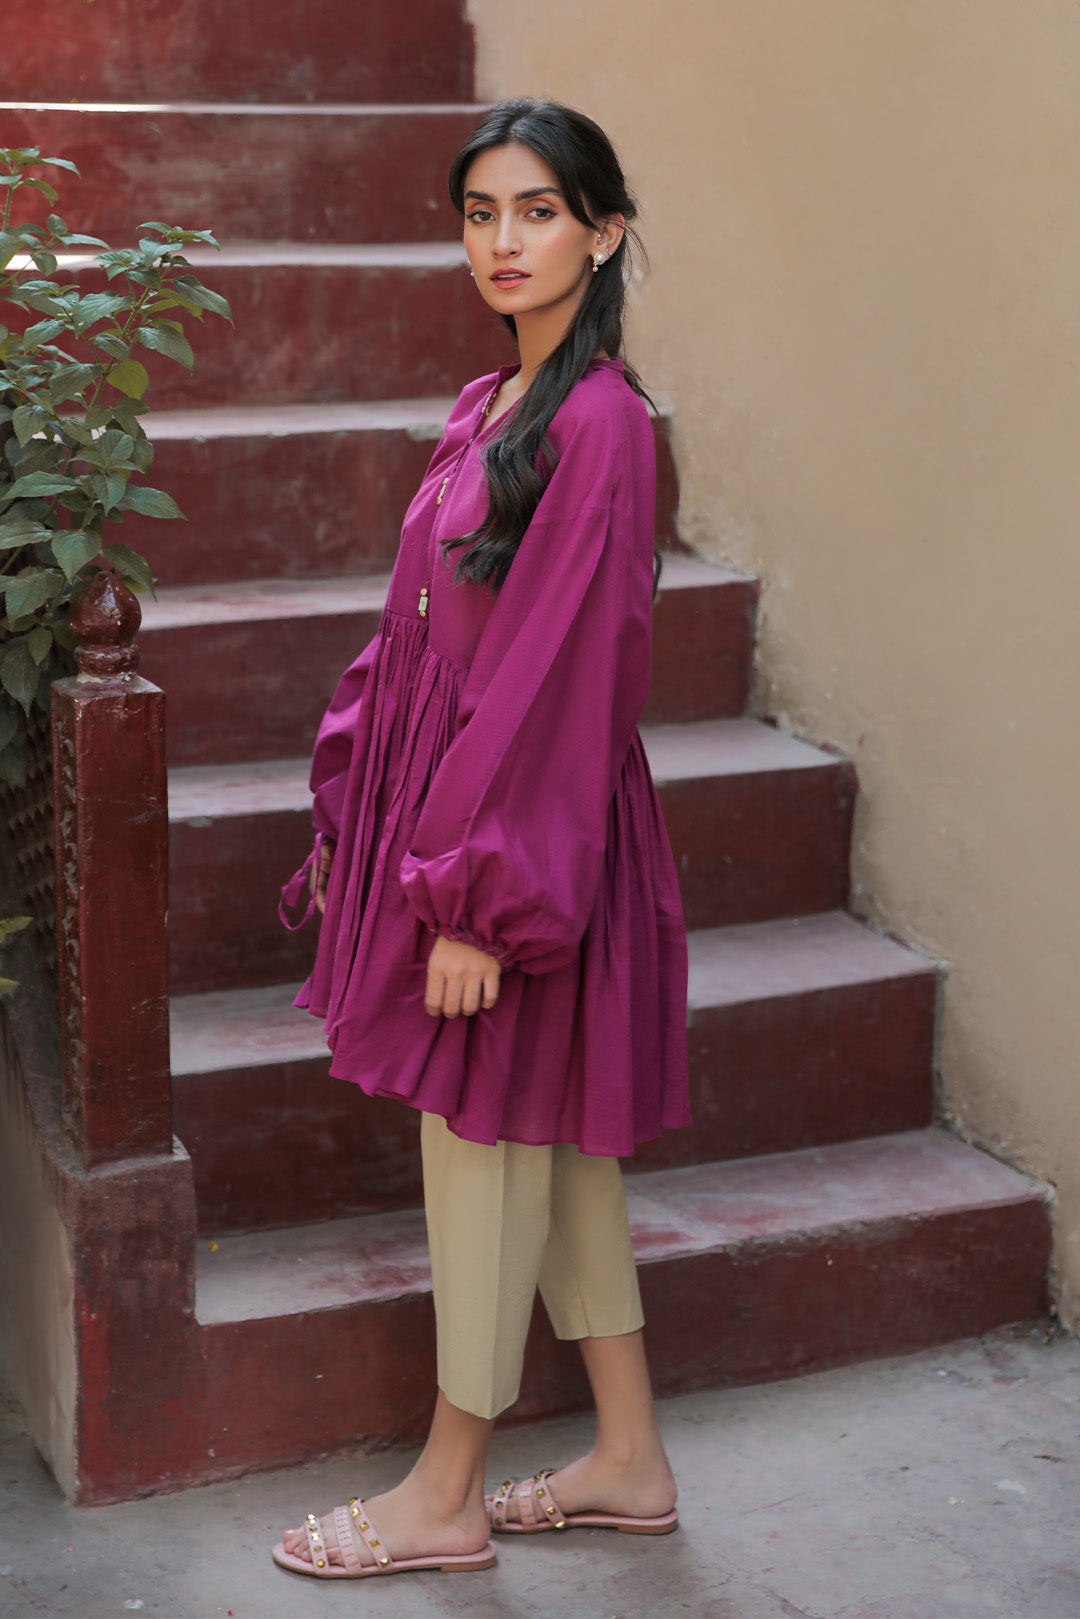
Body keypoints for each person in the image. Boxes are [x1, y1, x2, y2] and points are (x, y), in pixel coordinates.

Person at [272, 97, 690, 1582]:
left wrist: (474, 899)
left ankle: (446, 1491)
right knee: (554, 1147)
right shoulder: (495, 403)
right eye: (480, 212)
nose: (504, 241)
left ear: (605, 232)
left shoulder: (601, 425)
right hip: (471, 822)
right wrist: (362, 807)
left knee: (483, 1142)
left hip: (523, 842)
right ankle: (629, 1457)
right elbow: (424, 632)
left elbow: (563, 671)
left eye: (539, 210)